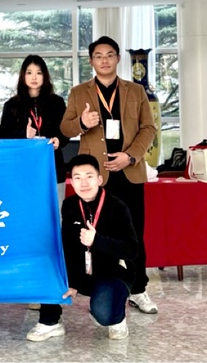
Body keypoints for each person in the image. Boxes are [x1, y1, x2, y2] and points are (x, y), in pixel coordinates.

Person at [59, 36, 158, 315]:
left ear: (118, 59)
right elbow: (65, 129)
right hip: (95, 177)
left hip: (128, 172)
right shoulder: (79, 92)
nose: (104, 60)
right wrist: (82, 123)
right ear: (91, 61)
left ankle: (138, 289)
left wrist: (131, 155)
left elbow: (148, 128)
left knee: (134, 233)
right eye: (99, 56)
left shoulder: (135, 91)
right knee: (94, 233)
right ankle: (97, 287)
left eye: (110, 55)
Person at [27, 154, 138, 341]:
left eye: (89, 176)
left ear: (99, 179)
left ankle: (117, 317)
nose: (83, 183)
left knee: (104, 313)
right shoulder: (70, 205)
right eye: (77, 177)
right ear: (72, 181)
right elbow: (68, 245)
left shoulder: (117, 207)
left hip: (111, 272)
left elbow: (131, 250)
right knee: (47, 264)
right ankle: (50, 322)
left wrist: (97, 240)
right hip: (82, 271)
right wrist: (73, 282)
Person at [0, 54, 69, 316]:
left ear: (45, 76)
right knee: (29, 228)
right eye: (29, 72)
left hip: (52, 173)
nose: (34, 77)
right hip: (24, 177)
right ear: (23, 76)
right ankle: (31, 285)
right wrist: (23, 135)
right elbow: (2, 138)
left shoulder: (57, 103)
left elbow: (65, 131)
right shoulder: (12, 105)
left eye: (39, 72)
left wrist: (59, 139)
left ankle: (51, 282)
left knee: (53, 226)